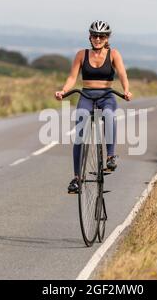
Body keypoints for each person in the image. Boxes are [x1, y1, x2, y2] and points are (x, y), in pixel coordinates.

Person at [55, 20, 132, 194]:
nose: (98, 39)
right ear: (90, 37)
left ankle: (110, 156)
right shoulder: (82, 54)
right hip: (86, 95)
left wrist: (127, 91)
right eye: (95, 35)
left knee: (109, 115)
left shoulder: (114, 54)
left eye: (102, 36)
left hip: (106, 95)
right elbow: (72, 78)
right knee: (80, 132)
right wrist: (63, 91)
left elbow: (122, 75)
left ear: (107, 38)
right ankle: (77, 178)